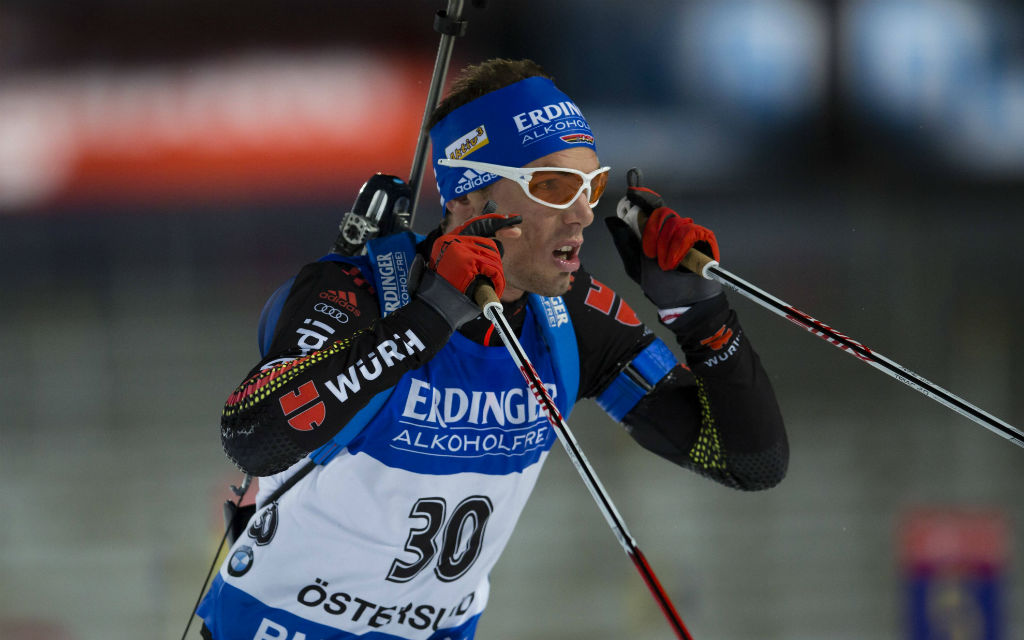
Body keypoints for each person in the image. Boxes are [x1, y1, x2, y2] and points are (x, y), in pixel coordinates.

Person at [196, 58, 787, 640]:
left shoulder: (570, 320)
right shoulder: (357, 292)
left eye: (591, 185)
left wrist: (702, 319)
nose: (582, 213)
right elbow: (251, 434)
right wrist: (427, 320)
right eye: (554, 186)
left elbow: (747, 463)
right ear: (470, 199)